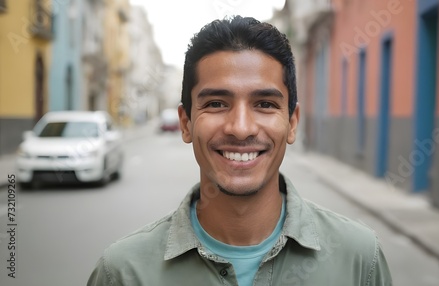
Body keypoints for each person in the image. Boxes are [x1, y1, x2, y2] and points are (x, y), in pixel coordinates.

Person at [87, 16, 392, 286]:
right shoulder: (123, 273)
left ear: (292, 123)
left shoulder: (360, 260)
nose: (241, 128)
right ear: (186, 123)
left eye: (265, 104)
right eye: (217, 104)